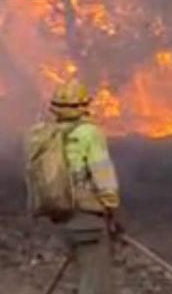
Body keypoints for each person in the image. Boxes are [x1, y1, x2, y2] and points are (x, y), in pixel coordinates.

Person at [49, 79, 121, 294]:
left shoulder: (47, 134)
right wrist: (111, 208)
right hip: (87, 217)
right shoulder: (89, 133)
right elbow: (103, 174)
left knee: (83, 275)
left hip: (60, 214)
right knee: (96, 284)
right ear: (82, 106)